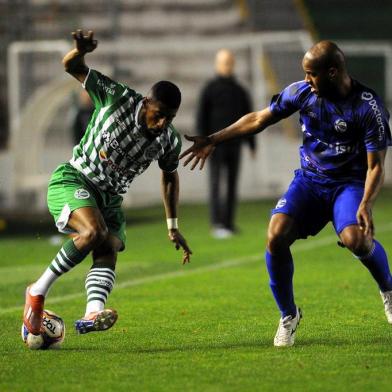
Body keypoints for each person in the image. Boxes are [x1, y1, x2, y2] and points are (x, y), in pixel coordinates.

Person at [180, 40, 392, 347]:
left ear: (332, 72)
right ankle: (289, 315)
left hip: (349, 184)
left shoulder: (367, 107)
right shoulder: (302, 93)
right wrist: (214, 138)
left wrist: (367, 204)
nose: (306, 79)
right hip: (309, 181)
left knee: (355, 239)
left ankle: (387, 289)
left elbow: (376, 167)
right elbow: (259, 118)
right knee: (275, 235)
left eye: (311, 74)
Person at [23, 29, 192, 337]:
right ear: (146, 104)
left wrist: (172, 225)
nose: (163, 123)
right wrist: (81, 52)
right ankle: (37, 291)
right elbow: (72, 67)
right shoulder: (117, 96)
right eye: (159, 115)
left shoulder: (169, 140)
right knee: (94, 232)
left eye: (170, 117)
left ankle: (92, 313)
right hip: (76, 179)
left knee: (108, 247)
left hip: (111, 199)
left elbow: (169, 177)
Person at [196, 49, 256, 239]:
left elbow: (250, 118)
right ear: (217, 64)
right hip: (214, 145)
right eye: (224, 62)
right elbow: (202, 117)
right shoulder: (210, 89)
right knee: (215, 183)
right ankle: (217, 223)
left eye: (229, 62)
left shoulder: (240, 90)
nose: (227, 65)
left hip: (234, 144)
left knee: (231, 184)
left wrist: (252, 144)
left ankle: (229, 223)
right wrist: (202, 142)